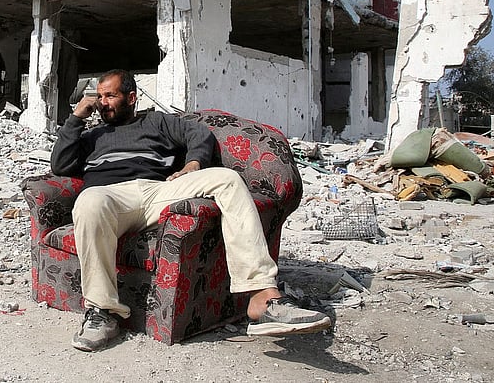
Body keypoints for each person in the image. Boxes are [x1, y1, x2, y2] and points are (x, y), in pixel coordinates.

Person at [50, 69, 331, 352]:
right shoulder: (92, 135)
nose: (103, 102)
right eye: (99, 96)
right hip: (110, 196)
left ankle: (262, 296)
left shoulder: (157, 121)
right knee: (88, 201)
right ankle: (103, 313)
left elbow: (199, 133)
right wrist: (76, 118)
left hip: (159, 190)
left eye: (110, 95)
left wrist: (193, 164)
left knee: (228, 179)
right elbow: (60, 166)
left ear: (131, 97)